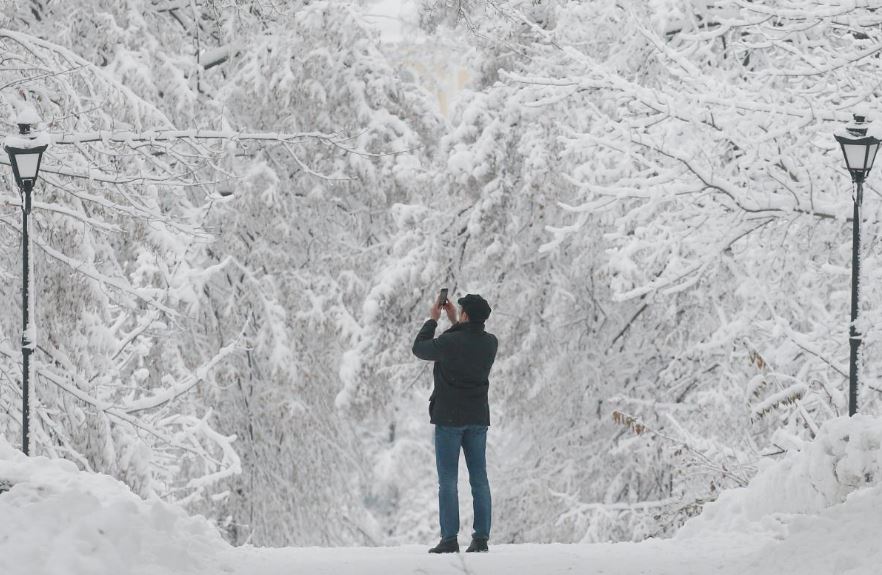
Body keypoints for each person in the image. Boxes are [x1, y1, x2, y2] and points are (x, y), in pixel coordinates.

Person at [412, 293, 498, 554]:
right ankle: (481, 538)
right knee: (479, 479)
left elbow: (420, 348)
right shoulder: (491, 343)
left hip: (449, 419)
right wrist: (455, 320)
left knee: (448, 481)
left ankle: (449, 539)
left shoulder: (450, 341)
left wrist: (433, 319)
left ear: (466, 315)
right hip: (477, 419)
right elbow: (464, 341)